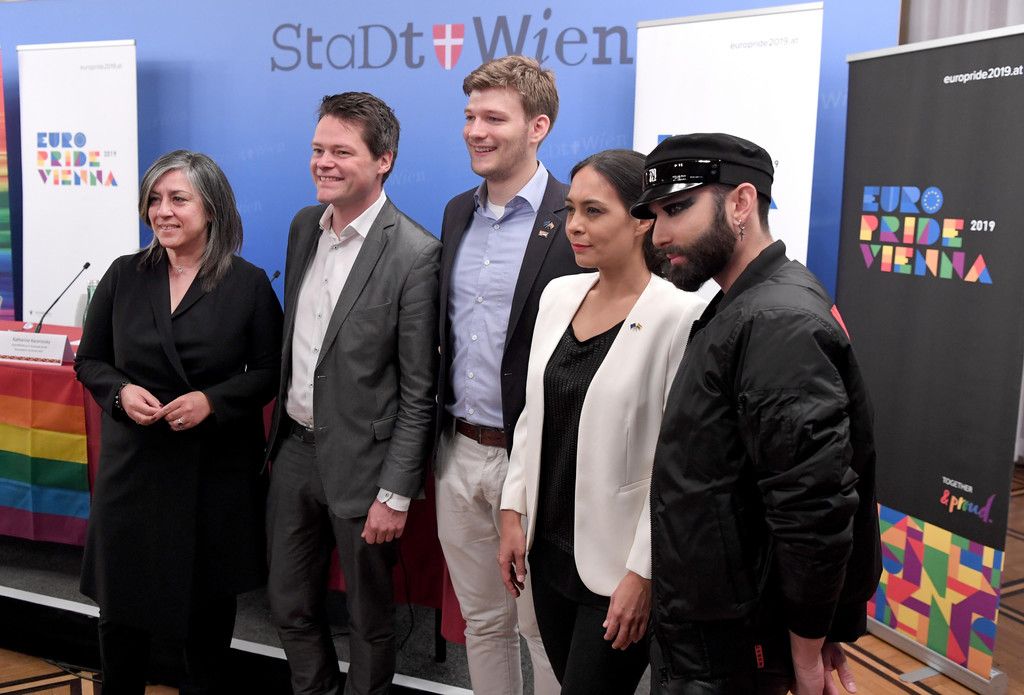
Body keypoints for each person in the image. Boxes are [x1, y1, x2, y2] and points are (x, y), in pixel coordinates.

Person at [630, 133, 881, 694]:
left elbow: (812, 507)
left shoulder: (775, 318)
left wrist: (808, 642)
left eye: (677, 208)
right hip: (716, 627)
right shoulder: (746, 303)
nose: (659, 233)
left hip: (734, 645)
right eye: (654, 214)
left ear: (741, 203)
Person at [496, 149, 705, 694]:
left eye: (593, 211)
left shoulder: (679, 315)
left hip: (618, 570)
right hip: (548, 555)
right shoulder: (558, 294)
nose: (574, 226)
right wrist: (513, 509)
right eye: (570, 210)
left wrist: (644, 573)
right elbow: (532, 416)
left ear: (642, 221)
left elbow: (677, 466)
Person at [75, 150, 283, 694]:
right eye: (154, 199)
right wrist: (120, 393)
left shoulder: (248, 284)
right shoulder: (123, 275)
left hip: (211, 474)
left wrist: (212, 402)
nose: (162, 211)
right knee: (120, 617)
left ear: (211, 208)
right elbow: (90, 361)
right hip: (133, 470)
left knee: (206, 623)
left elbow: (270, 373)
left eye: (178, 199)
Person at [264, 92, 440, 695]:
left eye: (341, 152)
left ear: (383, 160)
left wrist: (395, 492)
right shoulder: (302, 228)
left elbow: (419, 390)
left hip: (367, 469)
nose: (324, 162)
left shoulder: (415, 253)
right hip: (293, 451)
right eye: (318, 149)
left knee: (368, 619)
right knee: (288, 603)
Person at [435, 55, 581, 695]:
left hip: (537, 463)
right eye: (470, 116)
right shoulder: (455, 213)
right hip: (456, 453)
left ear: (538, 126)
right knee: (482, 623)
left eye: (494, 118)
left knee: (541, 630)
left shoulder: (576, 216)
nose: (475, 131)